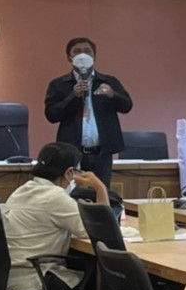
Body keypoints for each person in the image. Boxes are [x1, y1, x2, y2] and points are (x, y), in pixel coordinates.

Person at [4, 142, 107, 290]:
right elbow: (100, 228)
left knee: (90, 276)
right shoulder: (55, 197)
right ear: (70, 173)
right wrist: (99, 187)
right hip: (36, 278)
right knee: (104, 285)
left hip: (11, 276)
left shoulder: (21, 191)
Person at [44, 37, 133, 187]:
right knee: (72, 193)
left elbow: (127, 106)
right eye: (77, 52)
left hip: (102, 152)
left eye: (87, 51)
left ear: (94, 56)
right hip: (72, 152)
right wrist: (72, 96)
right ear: (69, 57)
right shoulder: (58, 85)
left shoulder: (108, 81)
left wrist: (113, 94)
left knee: (101, 191)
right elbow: (51, 115)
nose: (83, 55)